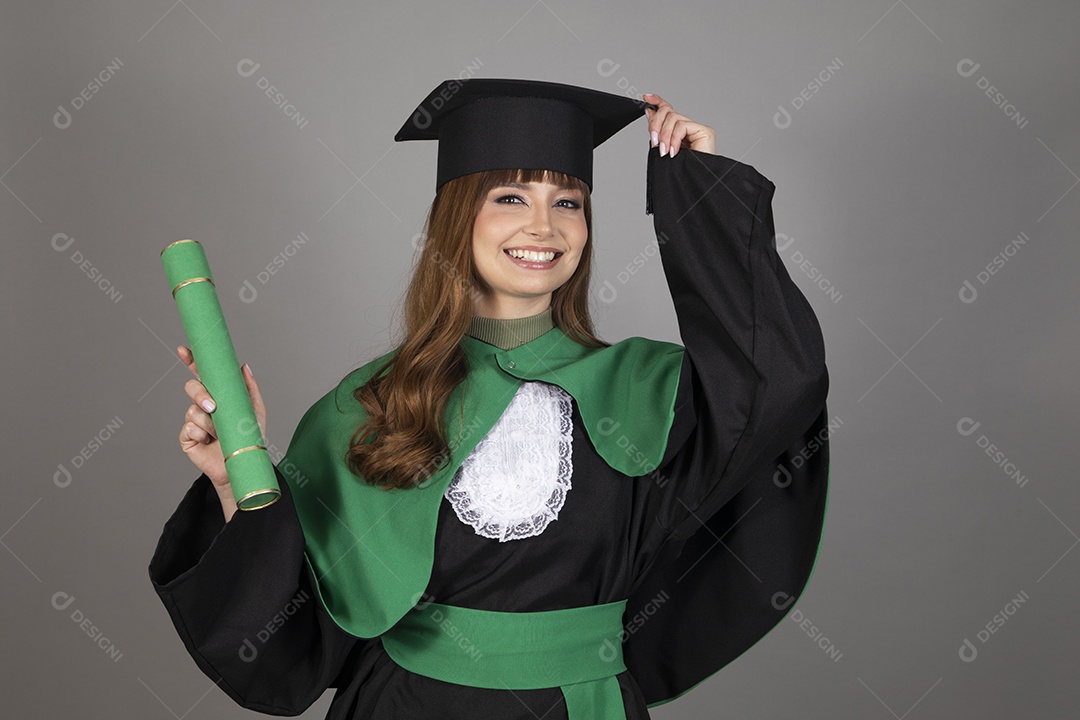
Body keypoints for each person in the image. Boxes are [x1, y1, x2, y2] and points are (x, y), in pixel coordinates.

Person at [149, 78, 830, 720]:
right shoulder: (371, 404)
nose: (544, 227)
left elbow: (775, 381)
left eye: (568, 203)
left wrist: (702, 196)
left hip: (580, 704)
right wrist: (233, 480)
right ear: (457, 218)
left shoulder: (646, 388)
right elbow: (292, 620)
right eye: (510, 198)